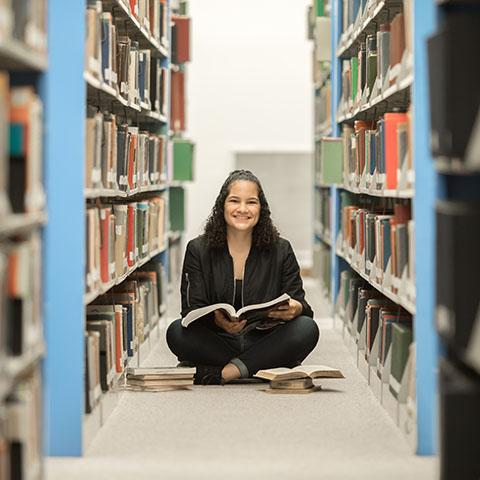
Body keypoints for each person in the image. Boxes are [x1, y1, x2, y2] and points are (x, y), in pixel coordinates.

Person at [166, 170, 319, 385]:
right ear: (223, 206)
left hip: (264, 338)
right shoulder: (198, 249)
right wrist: (216, 320)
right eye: (234, 201)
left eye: (251, 202)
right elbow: (190, 309)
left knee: (307, 328)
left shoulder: (281, 249)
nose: (243, 209)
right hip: (219, 340)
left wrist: (296, 308)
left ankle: (224, 372)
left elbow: (301, 304)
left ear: (261, 208)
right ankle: (264, 365)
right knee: (176, 332)